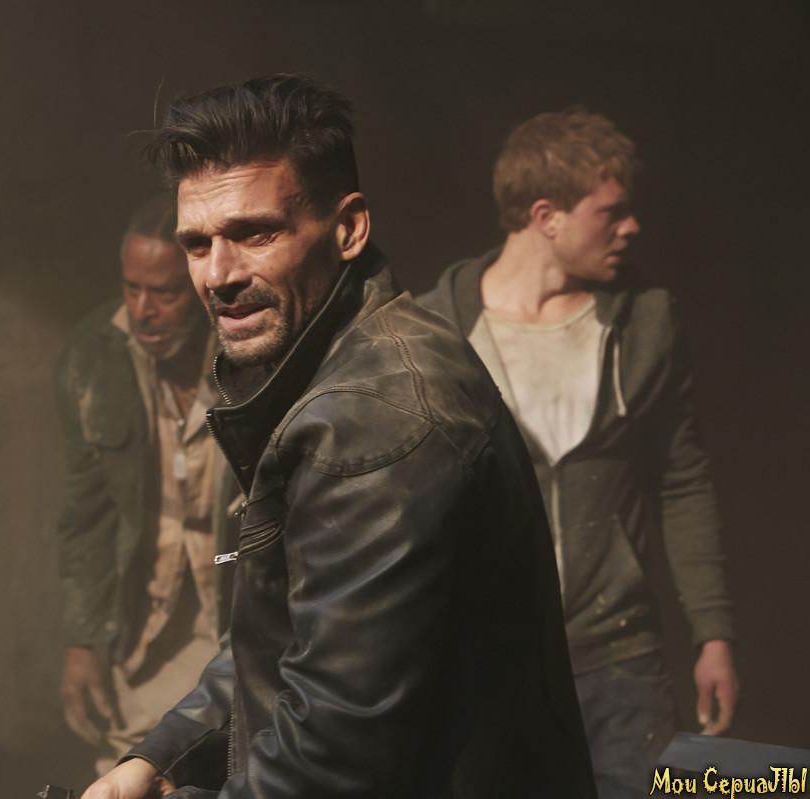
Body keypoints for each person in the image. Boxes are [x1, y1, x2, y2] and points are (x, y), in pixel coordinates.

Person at [83, 74, 595, 799]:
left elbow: (328, 764)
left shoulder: (376, 422)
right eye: (197, 243)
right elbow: (284, 638)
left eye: (255, 233)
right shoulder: (335, 363)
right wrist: (157, 759)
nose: (218, 275)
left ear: (348, 228)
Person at [417, 109, 738, 798]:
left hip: (621, 659)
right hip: (488, 666)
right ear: (547, 216)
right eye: (611, 212)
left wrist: (713, 632)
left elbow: (682, 480)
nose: (632, 227)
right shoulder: (435, 332)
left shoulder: (646, 321)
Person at [53, 195, 237, 774]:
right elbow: (87, 513)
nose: (142, 310)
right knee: (129, 770)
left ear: (203, 286)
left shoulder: (250, 351)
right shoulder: (94, 355)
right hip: (150, 621)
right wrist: (84, 637)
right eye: (131, 288)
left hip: (237, 610)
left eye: (165, 292)